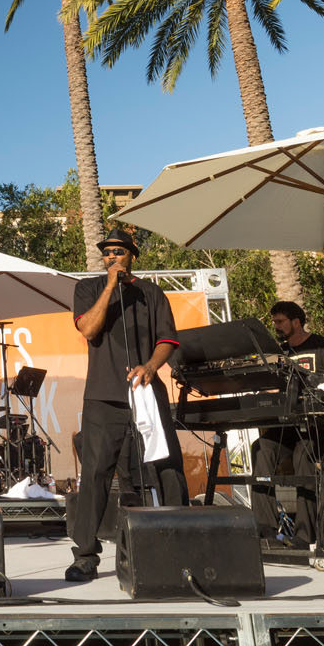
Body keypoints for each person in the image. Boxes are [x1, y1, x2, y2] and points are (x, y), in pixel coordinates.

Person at [65, 228, 186, 583]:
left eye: (118, 251)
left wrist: (150, 366)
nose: (112, 256)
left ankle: (182, 538)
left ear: (132, 255)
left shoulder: (151, 293)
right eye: (107, 253)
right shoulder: (87, 289)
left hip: (145, 389)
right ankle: (86, 555)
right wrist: (109, 287)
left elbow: (168, 339)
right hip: (104, 395)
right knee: (97, 474)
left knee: (166, 465)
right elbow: (89, 329)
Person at [251, 302, 324, 544]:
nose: (276, 326)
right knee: (262, 449)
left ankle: (305, 535)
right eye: (275, 322)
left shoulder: (322, 347)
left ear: (296, 322)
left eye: (280, 322)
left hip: (318, 427)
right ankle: (266, 532)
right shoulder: (280, 353)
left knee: (304, 454)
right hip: (287, 427)